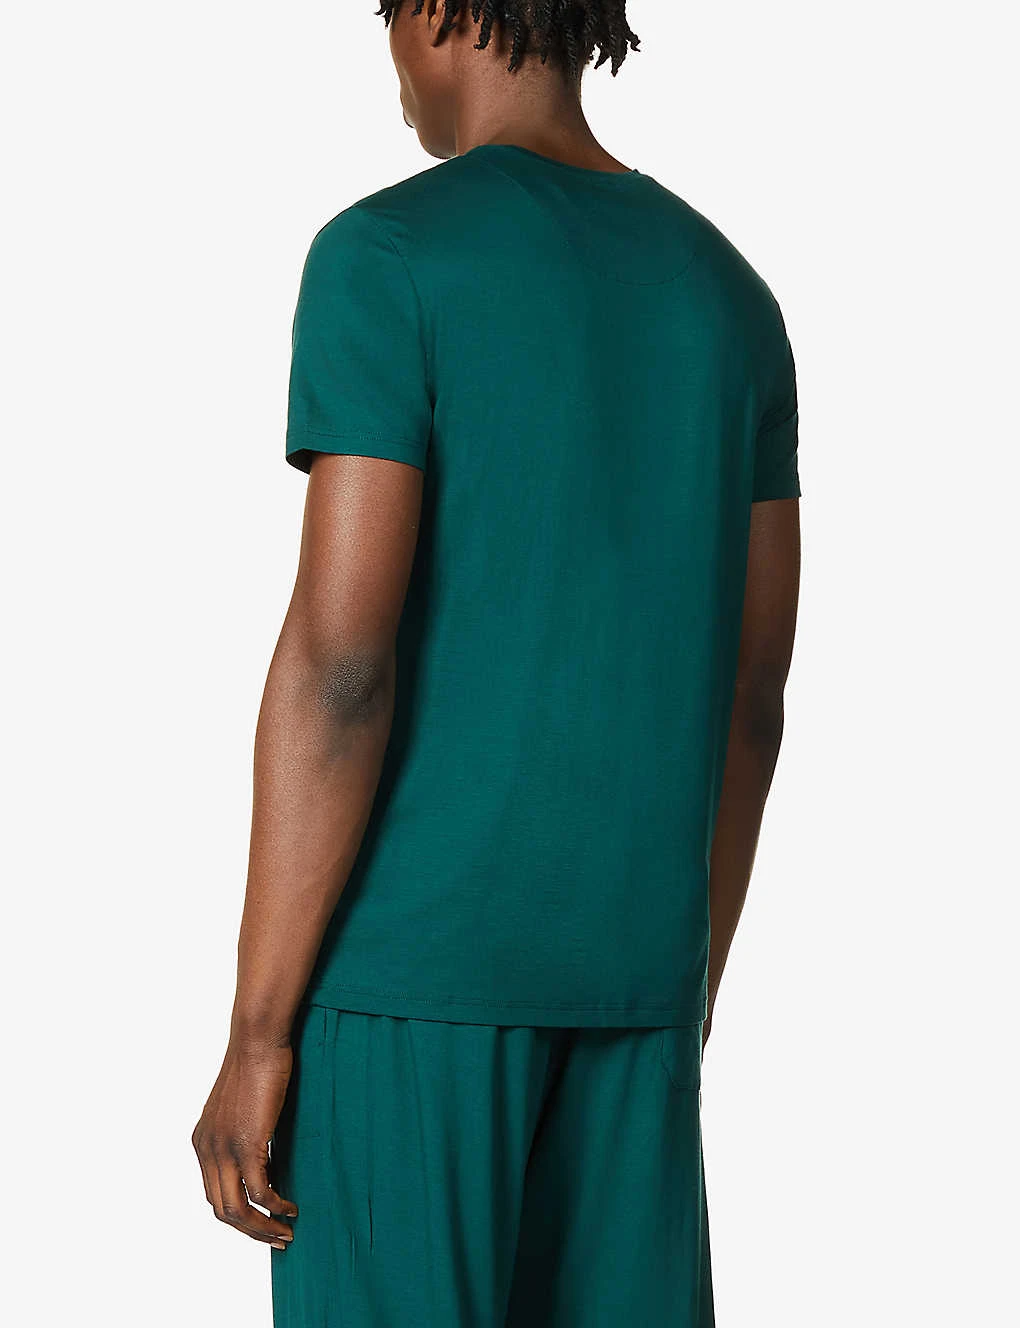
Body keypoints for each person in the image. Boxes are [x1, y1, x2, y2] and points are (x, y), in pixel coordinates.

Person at [192, 2, 801, 1325]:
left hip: (414, 987)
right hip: (636, 985)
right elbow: (751, 702)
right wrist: (681, 983)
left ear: (435, 12)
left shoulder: (386, 255)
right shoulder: (730, 297)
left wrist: (257, 1034)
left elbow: (341, 666)